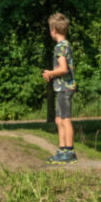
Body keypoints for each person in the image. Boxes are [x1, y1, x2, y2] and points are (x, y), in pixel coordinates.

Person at [40, 12, 76, 163]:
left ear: (53, 30)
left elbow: (63, 69)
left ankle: (69, 152)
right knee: (58, 119)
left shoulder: (60, 47)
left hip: (64, 88)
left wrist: (50, 73)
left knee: (65, 119)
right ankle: (62, 150)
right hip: (62, 88)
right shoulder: (65, 45)